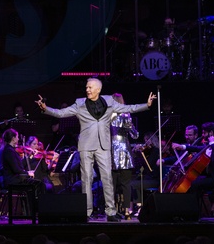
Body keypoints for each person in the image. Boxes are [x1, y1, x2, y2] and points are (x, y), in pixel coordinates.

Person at [36, 77, 155, 221]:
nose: (87, 89)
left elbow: (128, 108)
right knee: (86, 179)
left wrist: (146, 105)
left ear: (98, 89)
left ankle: (110, 212)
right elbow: (61, 113)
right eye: (86, 87)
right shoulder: (80, 103)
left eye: (90, 87)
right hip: (86, 146)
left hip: (103, 146)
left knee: (107, 178)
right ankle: (87, 212)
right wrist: (45, 108)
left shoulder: (109, 101)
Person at [170, 121, 214, 216]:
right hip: (209, 177)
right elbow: (196, 148)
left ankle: (194, 213)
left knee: (195, 184)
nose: (202, 135)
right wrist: (182, 147)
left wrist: (213, 143)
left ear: (211, 133)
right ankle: (187, 211)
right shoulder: (207, 145)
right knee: (191, 182)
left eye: (204, 132)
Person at [0, 128, 46, 217]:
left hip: (13, 179)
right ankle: (39, 212)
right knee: (40, 184)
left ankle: (32, 212)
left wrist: (27, 171)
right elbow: (16, 169)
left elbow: (18, 167)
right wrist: (27, 173)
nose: (18, 139)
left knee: (37, 183)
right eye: (17, 137)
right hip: (12, 181)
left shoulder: (9, 150)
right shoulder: (9, 151)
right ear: (13, 138)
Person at [110, 93, 139, 219]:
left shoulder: (107, 115)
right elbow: (135, 135)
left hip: (111, 152)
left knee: (111, 184)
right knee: (126, 184)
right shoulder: (125, 115)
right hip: (124, 152)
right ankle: (127, 211)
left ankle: (111, 211)